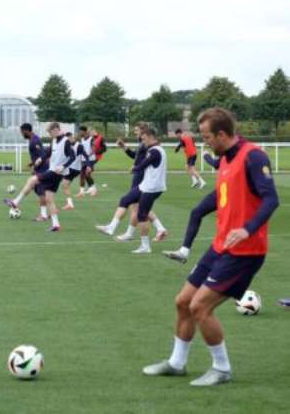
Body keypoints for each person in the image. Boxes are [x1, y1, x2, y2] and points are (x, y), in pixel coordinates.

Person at [142, 108, 278, 386]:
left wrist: (247, 229)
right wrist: (200, 210)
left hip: (245, 251)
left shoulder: (253, 156)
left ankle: (222, 368)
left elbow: (271, 199)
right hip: (220, 247)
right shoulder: (225, 158)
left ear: (222, 134)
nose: (204, 142)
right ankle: (177, 363)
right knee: (183, 302)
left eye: (206, 137)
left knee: (200, 307)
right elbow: (226, 194)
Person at [97, 127, 168, 253]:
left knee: (142, 214)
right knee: (125, 200)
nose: (143, 141)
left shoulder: (155, 151)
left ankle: (145, 246)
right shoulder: (155, 149)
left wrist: (134, 168)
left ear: (150, 136)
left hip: (152, 188)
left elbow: (144, 164)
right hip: (146, 185)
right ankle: (111, 227)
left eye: (144, 138)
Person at [5, 122, 74, 232]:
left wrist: (63, 166)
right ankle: (56, 225)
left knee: (32, 180)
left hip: (55, 172)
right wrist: (40, 159)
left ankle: (15, 202)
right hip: (53, 172)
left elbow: (72, 156)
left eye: (50, 132)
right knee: (49, 199)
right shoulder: (54, 140)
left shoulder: (65, 141)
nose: (49, 134)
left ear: (56, 130)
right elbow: (47, 153)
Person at [113, 123, 168, 242]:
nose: (135, 132)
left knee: (137, 208)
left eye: (137, 130)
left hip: (143, 178)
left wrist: (136, 168)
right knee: (139, 207)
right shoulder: (142, 144)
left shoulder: (147, 145)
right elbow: (135, 157)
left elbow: (144, 161)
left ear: (145, 132)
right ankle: (159, 228)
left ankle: (129, 234)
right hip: (141, 177)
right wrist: (124, 147)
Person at [20, 123, 50, 221]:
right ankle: (49, 210)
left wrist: (35, 166)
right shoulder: (33, 139)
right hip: (40, 168)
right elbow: (38, 156)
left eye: (22, 132)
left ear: (26, 131)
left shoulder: (35, 140)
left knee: (40, 191)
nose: (21, 134)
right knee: (37, 190)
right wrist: (32, 163)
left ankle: (43, 215)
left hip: (42, 169)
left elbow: (42, 155)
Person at [61, 132, 89, 210]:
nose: (68, 140)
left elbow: (86, 156)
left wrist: (88, 166)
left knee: (64, 185)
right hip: (73, 169)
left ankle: (70, 204)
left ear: (72, 137)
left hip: (73, 169)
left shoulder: (79, 146)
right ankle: (69, 203)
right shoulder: (68, 145)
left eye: (69, 138)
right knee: (65, 185)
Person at [76, 126, 98, 197]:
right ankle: (81, 192)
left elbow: (94, 149)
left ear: (84, 131)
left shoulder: (91, 139)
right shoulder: (81, 139)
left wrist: (88, 154)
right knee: (82, 175)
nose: (79, 133)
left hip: (90, 159)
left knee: (87, 174)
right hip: (83, 159)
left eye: (80, 132)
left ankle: (93, 189)